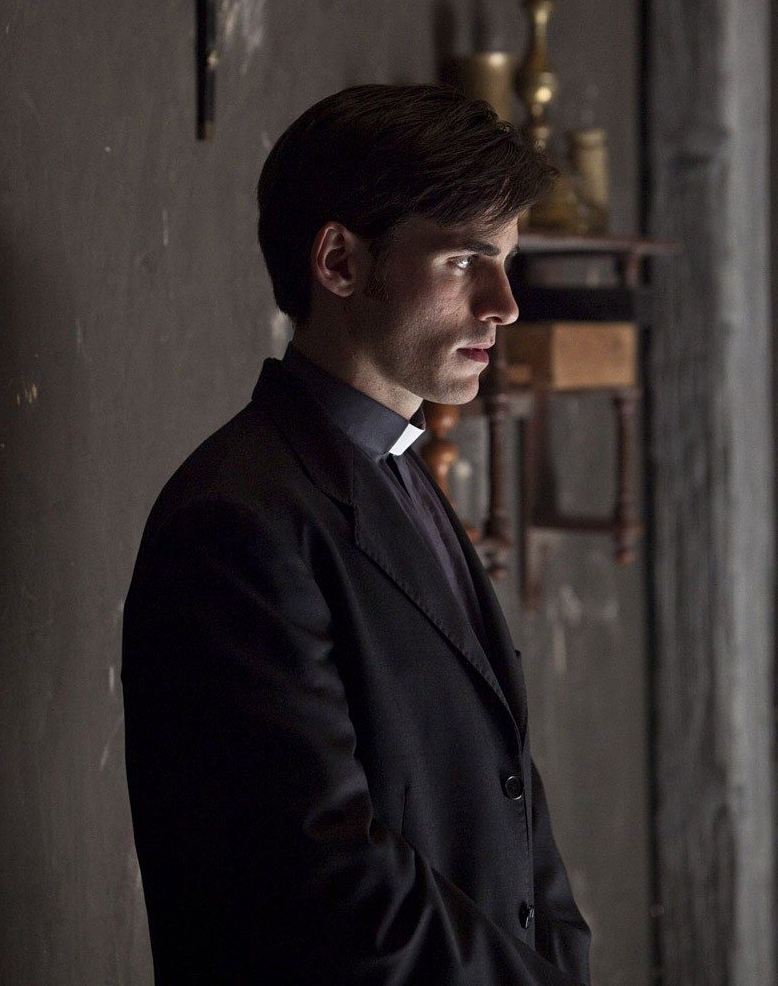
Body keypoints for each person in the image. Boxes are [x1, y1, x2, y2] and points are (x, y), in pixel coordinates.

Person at [122, 82, 592, 985]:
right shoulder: (236, 521)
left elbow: (513, 797)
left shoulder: (402, 475)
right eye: (465, 259)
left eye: (506, 259)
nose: (504, 302)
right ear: (339, 262)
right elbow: (325, 882)